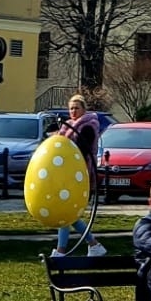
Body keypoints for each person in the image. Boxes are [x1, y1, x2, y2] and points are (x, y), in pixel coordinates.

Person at [53, 94, 107, 257]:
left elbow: (79, 152)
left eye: (77, 108)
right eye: (71, 108)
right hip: (67, 176)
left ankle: (61, 251)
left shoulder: (87, 127)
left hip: (80, 176)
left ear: (84, 109)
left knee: (67, 213)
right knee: (69, 214)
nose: (73, 111)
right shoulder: (68, 127)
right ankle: (94, 245)